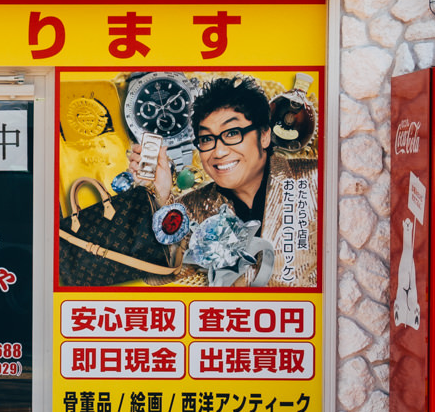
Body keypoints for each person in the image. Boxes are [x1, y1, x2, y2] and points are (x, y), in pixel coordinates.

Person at [128, 75, 318, 287]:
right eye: (207, 139)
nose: (218, 152)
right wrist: (159, 198)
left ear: (264, 135)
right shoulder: (189, 209)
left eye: (232, 133)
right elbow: (154, 275)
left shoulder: (315, 180)